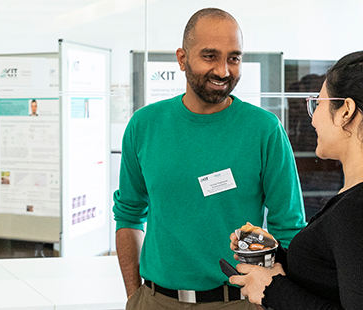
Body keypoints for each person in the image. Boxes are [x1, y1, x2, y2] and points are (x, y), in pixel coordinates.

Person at [114, 7, 307, 309]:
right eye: (210, 56)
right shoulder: (144, 125)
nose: (223, 70)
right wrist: (134, 296)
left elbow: (290, 228)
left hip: (238, 302)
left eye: (234, 58)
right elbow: (128, 215)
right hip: (155, 300)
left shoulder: (264, 130)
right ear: (182, 58)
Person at [227, 51, 363, 309]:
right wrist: (273, 253)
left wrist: (272, 289)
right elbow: (328, 277)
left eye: (319, 103)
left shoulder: (362, 212)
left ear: (345, 111)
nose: (313, 118)